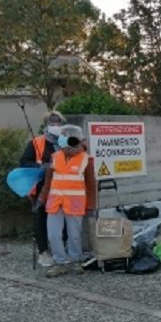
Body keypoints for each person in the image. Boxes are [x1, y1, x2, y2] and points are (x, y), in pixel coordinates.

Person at [38, 125, 97, 277]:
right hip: (55, 202)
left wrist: (91, 205)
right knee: (53, 234)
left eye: (65, 136)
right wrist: (41, 198)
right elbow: (48, 181)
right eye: (62, 136)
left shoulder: (86, 159)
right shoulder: (55, 157)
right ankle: (60, 262)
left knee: (74, 235)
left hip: (75, 203)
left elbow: (91, 185)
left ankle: (76, 260)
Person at [19, 110, 65, 267]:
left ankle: (61, 249)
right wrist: (40, 166)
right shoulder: (36, 142)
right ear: (46, 125)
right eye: (52, 123)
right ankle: (43, 252)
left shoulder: (66, 142)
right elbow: (24, 162)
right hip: (41, 187)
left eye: (58, 122)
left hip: (62, 187)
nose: (55, 125)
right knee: (41, 218)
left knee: (62, 218)